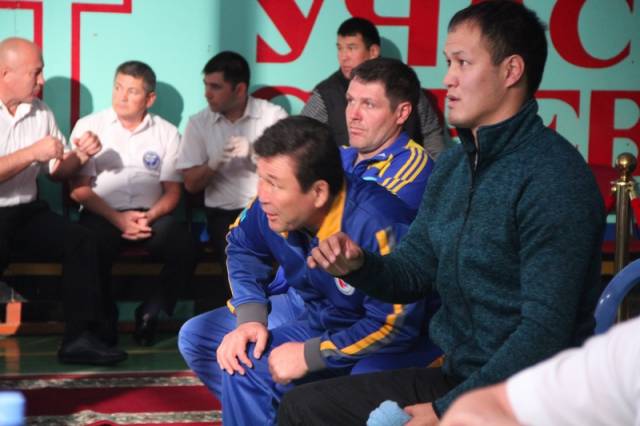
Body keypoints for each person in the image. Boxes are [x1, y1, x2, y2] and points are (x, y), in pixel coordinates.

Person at [278, 1, 605, 424]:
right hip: (459, 378)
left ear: (511, 71)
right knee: (301, 407)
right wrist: (359, 265)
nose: (448, 78)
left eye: (462, 63)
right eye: (449, 62)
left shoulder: (555, 178)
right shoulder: (453, 165)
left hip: (531, 396)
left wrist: (443, 412)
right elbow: (413, 272)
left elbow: (544, 335)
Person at [178, 116, 436, 426]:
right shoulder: (271, 206)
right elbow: (242, 246)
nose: (263, 195)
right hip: (323, 320)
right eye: (261, 179)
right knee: (243, 362)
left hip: (399, 342)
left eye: (275, 184)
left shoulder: (377, 223)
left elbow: (395, 326)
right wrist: (250, 318)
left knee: (358, 396)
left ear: (318, 193)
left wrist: (310, 355)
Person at [0, 37, 127, 365]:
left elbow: (56, 171)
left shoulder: (40, 111)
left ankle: (79, 339)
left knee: (82, 240)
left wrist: (81, 155)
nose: (41, 80)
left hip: (27, 212)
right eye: (35, 72)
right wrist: (31, 152)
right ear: (5, 74)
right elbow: (37, 154)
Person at [69, 61, 197, 346]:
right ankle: (104, 320)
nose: (121, 97)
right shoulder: (90, 126)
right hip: (102, 214)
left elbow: (173, 192)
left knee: (185, 245)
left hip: (149, 216)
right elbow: (78, 190)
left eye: (132, 91)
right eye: (118, 88)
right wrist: (117, 219)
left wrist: (148, 217)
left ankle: (151, 310)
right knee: (88, 245)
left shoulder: (166, 133)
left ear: (149, 99)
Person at [176, 51, 287, 261]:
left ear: (240, 89)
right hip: (223, 214)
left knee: (290, 255)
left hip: (269, 208)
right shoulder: (198, 123)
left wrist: (255, 154)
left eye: (215, 87)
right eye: (206, 85)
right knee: (239, 260)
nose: (207, 94)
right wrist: (212, 165)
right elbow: (191, 185)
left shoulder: (273, 115)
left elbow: (290, 173)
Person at [441, 315, 640, 426]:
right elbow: (493, 404)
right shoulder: (629, 349)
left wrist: (439, 408)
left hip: (487, 374)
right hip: (462, 375)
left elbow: (543, 333)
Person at [301, 17, 445, 159]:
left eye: (351, 48)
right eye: (340, 48)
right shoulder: (326, 93)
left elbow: (431, 133)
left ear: (373, 51)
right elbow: (302, 138)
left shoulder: (404, 86)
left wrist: (435, 170)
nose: (343, 57)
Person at [341, 56, 434, 211]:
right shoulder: (338, 154)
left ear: (402, 113)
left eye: (368, 104)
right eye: (350, 101)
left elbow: (368, 217)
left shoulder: (414, 163)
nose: (353, 115)